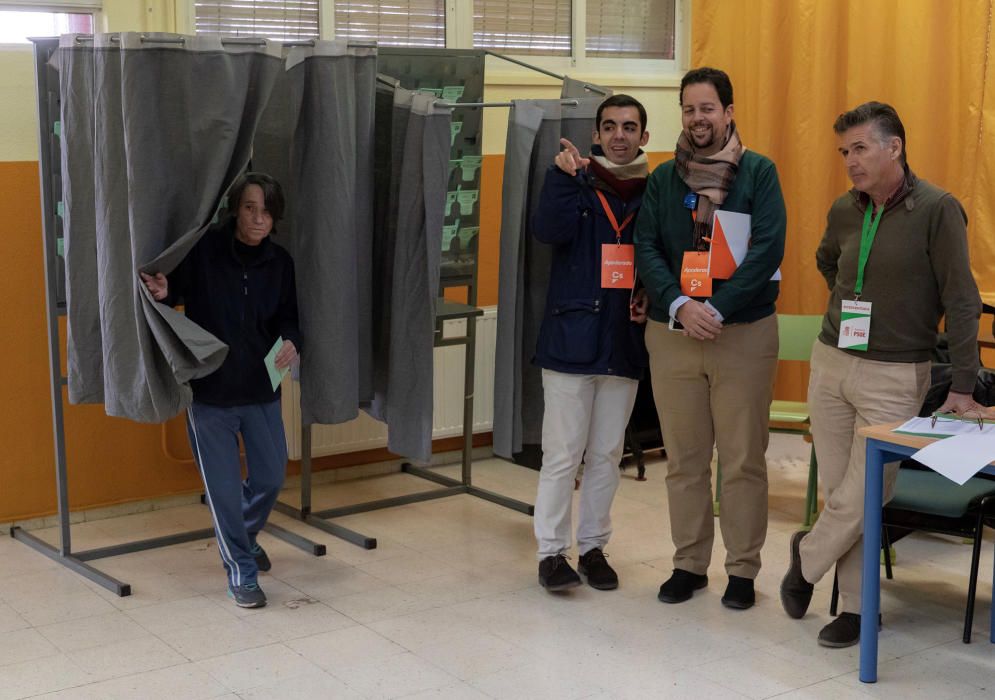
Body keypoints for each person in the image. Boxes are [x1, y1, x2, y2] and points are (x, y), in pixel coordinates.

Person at [780, 102, 982, 647]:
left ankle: (806, 558)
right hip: (832, 362)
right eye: (844, 151)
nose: (850, 161)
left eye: (860, 148)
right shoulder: (846, 209)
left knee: (866, 492)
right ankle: (856, 610)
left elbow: (962, 301)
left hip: (896, 373)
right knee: (841, 493)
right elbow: (829, 262)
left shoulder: (938, 209)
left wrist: (963, 383)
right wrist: (855, 303)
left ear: (894, 147)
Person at [634, 67, 786, 610]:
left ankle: (742, 570)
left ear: (728, 112)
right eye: (690, 109)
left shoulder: (759, 173)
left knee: (743, 458)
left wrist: (714, 308)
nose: (699, 119)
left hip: (742, 333)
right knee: (685, 457)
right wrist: (679, 303)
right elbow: (646, 246)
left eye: (708, 108)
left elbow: (767, 250)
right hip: (673, 334)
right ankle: (689, 563)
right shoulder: (662, 178)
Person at [141, 172, 301, 608]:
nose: (257, 219)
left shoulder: (281, 263)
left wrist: (291, 340)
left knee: (270, 477)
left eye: (266, 212)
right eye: (250, 208)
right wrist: (164, 289)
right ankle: (241, 572)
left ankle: (243, 537)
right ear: (236, 209)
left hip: (261, 389)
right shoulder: (206, 249)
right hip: (210, 392)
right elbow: (178, 291)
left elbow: (289, 316)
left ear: (275, 218)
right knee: (225, 492)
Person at [531, 94, 651, 592]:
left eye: (629, 127)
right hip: (570, 338)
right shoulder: (573, 179)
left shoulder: (656, 190)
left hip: (624, 339)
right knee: (562, 454)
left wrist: (648, 289)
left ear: (644, 137)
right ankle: (551, 554)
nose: (619, 135)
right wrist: (561, 178)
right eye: (609, 126)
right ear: (596, 135)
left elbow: (661, 253)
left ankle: (595, 547)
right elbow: (547, 231)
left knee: (606, 453)